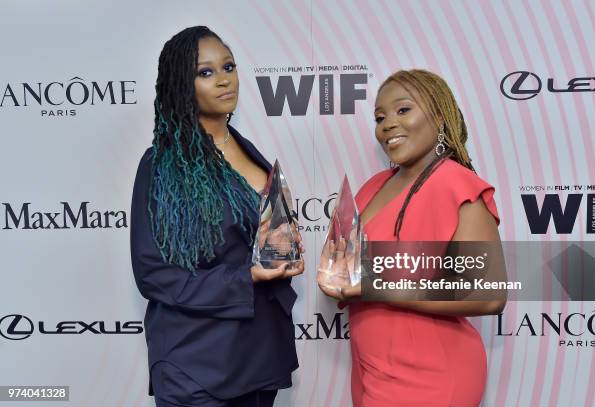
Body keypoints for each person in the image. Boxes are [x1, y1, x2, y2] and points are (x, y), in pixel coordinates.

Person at [130, 26, 303, 407]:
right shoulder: (162, 165)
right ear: (181, 84)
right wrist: (248, 274)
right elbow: (154, 274)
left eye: (228, 66)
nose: (224, 79)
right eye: (205, 72)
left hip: (259, 352)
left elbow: (255, 240)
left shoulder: (249, 150)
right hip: (196, 362)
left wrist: (280, 251)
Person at [319, 69, 506, 407]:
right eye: (380, 117)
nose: (388, 124)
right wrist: (334, 276)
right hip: (370, 367)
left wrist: (375, 284)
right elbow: (340, 270)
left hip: (432, 373)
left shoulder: (458, 185)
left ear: (438, 114)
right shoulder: (371, 187)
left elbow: (487, 293)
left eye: (403, 110)